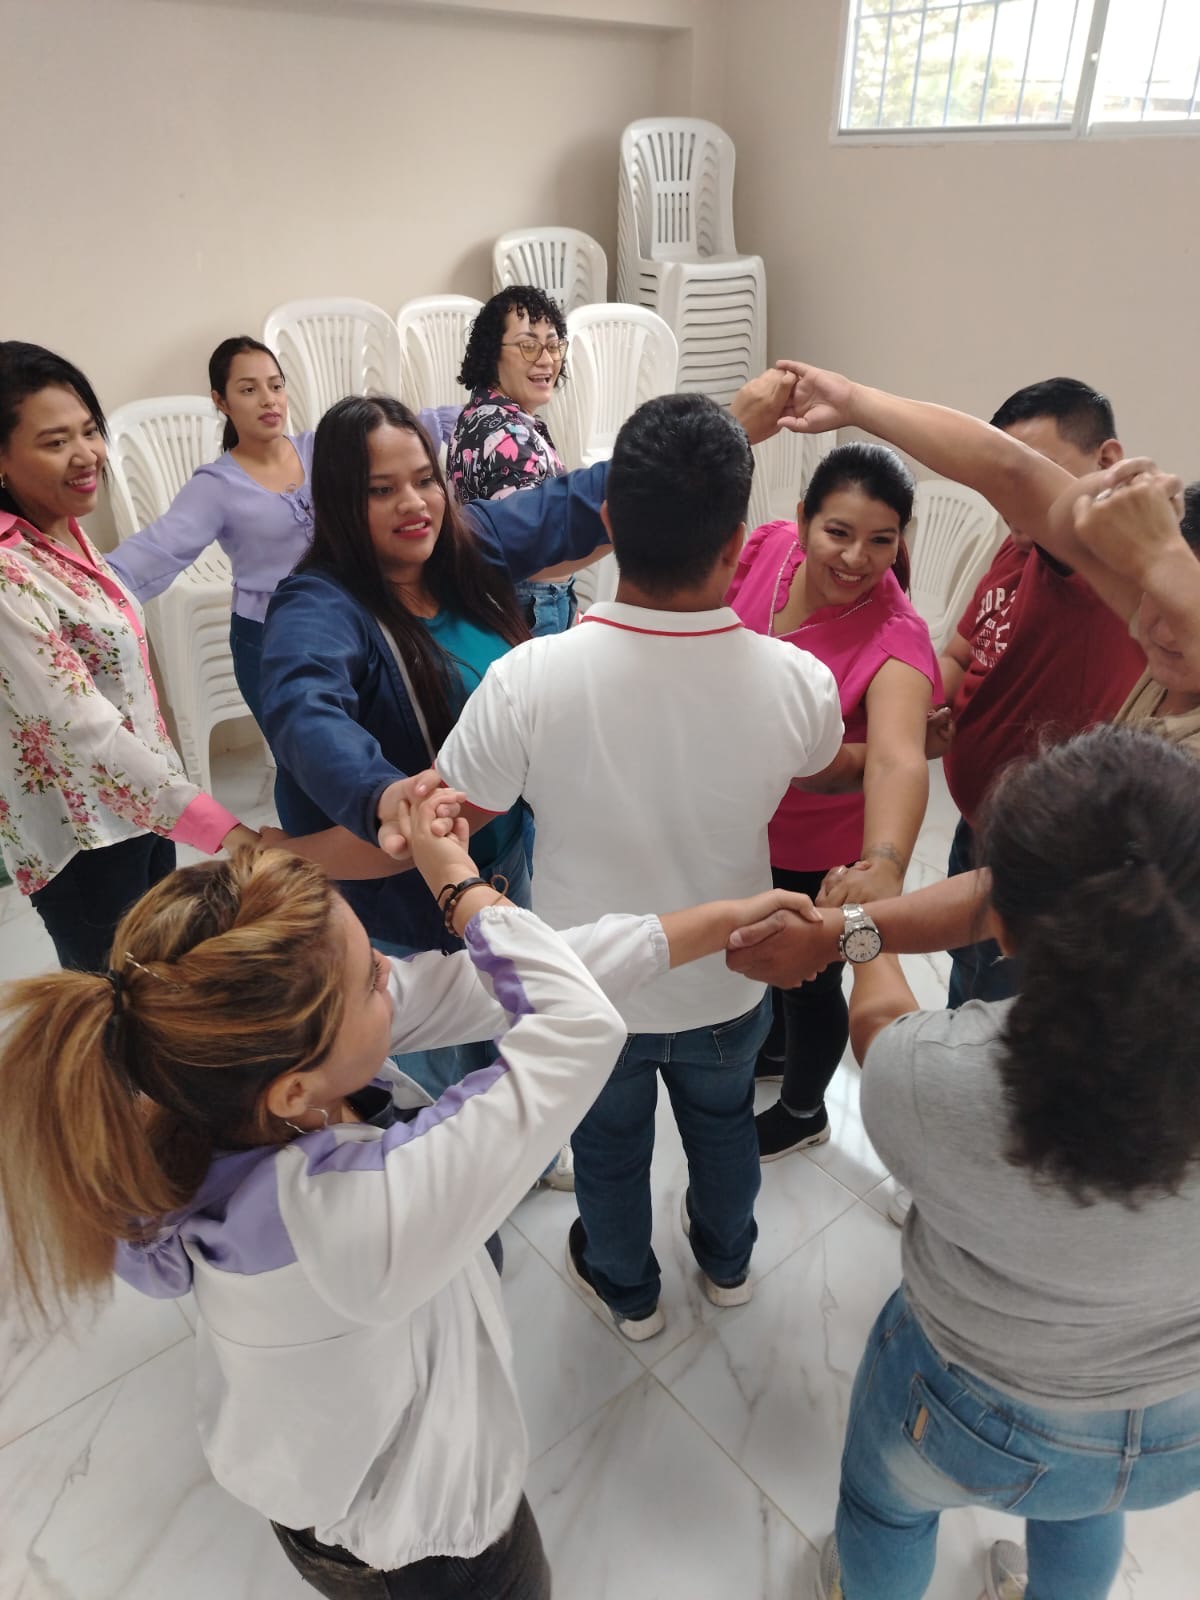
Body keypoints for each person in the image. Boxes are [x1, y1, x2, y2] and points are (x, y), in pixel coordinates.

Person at [0, 785, 827, 1600]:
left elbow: (493, 986)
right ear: (294, 1090)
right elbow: (575, 1029)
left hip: (344, 1476)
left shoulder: (224, 1087)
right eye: (371, 978)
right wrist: (457, 885)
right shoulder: (346, 1224)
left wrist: (717, 924)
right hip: (425, 1555)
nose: (393, 976)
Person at [436, 393, 845, 1340]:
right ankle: (728, 1263)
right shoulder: (799, 682)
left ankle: (628, 1291)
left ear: (610, 519)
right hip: (729, 976)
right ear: (738, 542)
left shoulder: (528, 679)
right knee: (724, 1128)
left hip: (589, 987)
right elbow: (824, 761)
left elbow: (457, 816)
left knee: (608, 1146)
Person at [812, 726, 1200, 1600]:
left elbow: (877, 1025)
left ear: (1007, 934)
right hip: (1181, 1419)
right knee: (1088, 1507)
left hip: (975, 1406)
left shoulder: (946, 1079)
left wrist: (859, 932)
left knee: (885, 1510)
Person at [0, 341, 257, 971]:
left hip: (142, 806)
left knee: (159, 980)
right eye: (56, 441)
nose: (86, 454)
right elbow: (80, 727)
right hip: (84, 835)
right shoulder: (8, 573)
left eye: (90, 431)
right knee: (111, 997)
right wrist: (223, 829)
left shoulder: (63, 529)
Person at [725, 443, 939, 1161]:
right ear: (803, 520)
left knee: (812, 982)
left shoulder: (895, 637)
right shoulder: (770, 549)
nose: (855, 558)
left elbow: (897, 756)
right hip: (741, 823)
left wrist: (884, 861)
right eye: (839, 532)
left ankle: (804, 1109)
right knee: (760, 954)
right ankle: (777, 1047)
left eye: (881, 540)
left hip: (817, 849)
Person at [106, 336, 460, 727]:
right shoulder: (216, 485)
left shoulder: (321, 449)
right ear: (221, 401)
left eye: (276, 386)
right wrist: (82, 585)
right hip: (267, 635)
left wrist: (492, 411)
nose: (268, 400)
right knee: (304, 745)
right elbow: (158, 548)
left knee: (373, 735)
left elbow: (416, 429)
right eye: (249, 390)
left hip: (348, 618)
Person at [932, 377, 1140, 1007]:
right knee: (967, 971)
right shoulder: (1014, 549)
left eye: (1030, 474)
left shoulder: (1097, 563)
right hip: (977, 824)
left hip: (1042, 847)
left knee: (1000, 1011)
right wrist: (917, 713)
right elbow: (962, 650)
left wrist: (852, 402)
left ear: (1107, 462)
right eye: (1002, 482)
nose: (1013, 498)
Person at [448, 287, 577, 637]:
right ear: (492, 353)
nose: (546, 360)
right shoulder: (506, 435)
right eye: (528, 345)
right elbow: (527, 548)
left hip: (520, 601)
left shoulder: (483, 414)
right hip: (532, 605)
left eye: (553, 345)